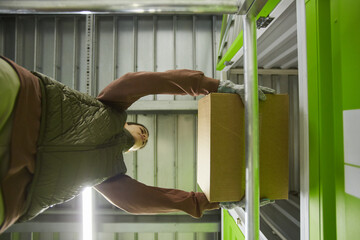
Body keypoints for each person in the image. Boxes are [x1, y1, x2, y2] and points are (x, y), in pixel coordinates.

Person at [0, 55, 273, 233]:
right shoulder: (109, 107)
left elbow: (137, 203)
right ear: (128, 124)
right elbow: (141, 82)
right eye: (142, 129)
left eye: (145, 139)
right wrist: (213, 86)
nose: (144, 135)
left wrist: (209, 202)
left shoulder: (110, 175)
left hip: (15, 188)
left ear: (133, 151)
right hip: (24, 102)